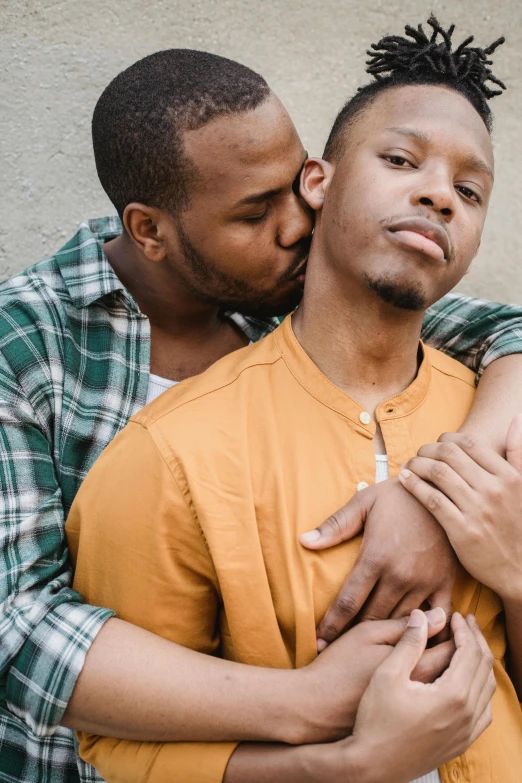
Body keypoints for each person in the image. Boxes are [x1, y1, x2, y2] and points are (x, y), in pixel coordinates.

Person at [1, 37, 522, 783]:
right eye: (254, 212)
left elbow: (499, 328)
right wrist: (318, 718)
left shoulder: (290, 290)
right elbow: (18, 631)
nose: (297, 222)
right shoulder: (30, 349)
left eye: (297, 185)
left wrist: (442, 498)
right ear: (149, 231)